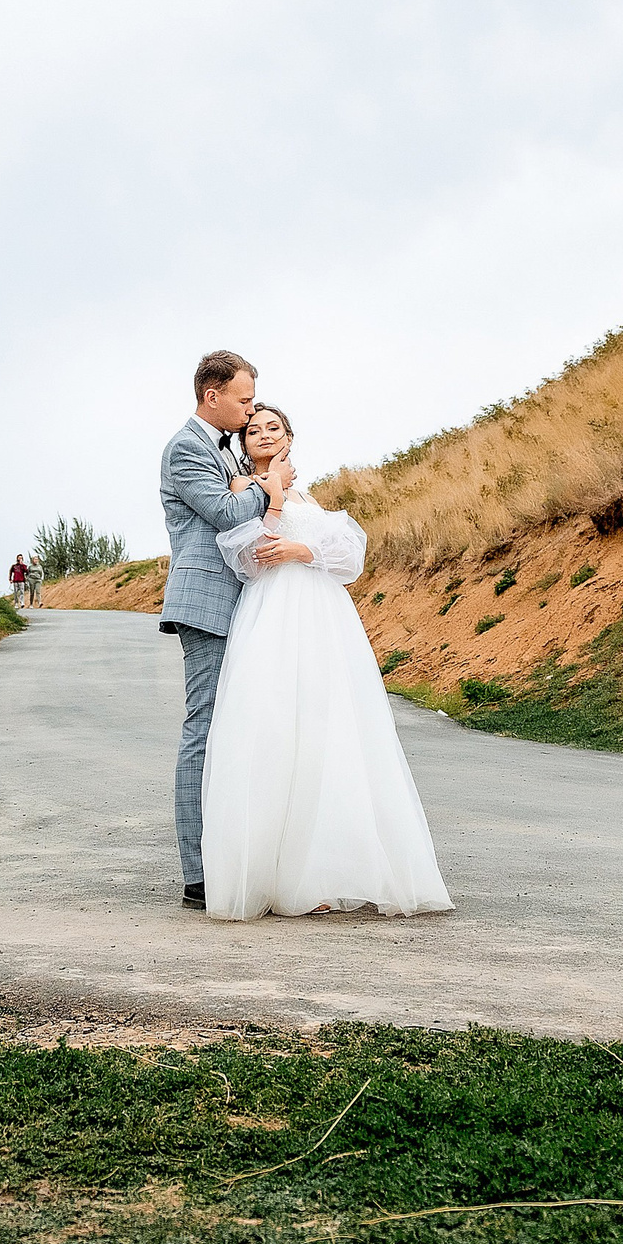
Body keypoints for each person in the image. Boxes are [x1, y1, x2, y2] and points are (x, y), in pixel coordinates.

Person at [200, 404, 452, 919]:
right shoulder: (240, 491)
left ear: (290, 437)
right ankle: (279, 878)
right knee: (275, 729)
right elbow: (248, 556)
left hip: (324, 617)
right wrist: (270, 499)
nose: (264, 434)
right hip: (274, 616)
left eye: (274, 427)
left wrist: (304, 550)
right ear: (243, 444)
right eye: (254, 430)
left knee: (327, 729)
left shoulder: (308, 496)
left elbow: (348, 561)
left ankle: (324, 869)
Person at [156, 350, 278, 911]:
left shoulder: (221, 449)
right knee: (203, 728)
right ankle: (198, 873)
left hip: (239, 602)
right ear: (213, 396)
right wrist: (271, 483)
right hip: (205, 602)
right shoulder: (186, 447)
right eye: (244, 398)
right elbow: (229, 516)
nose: (250, 408)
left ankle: (234, 853)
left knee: (236, 728)